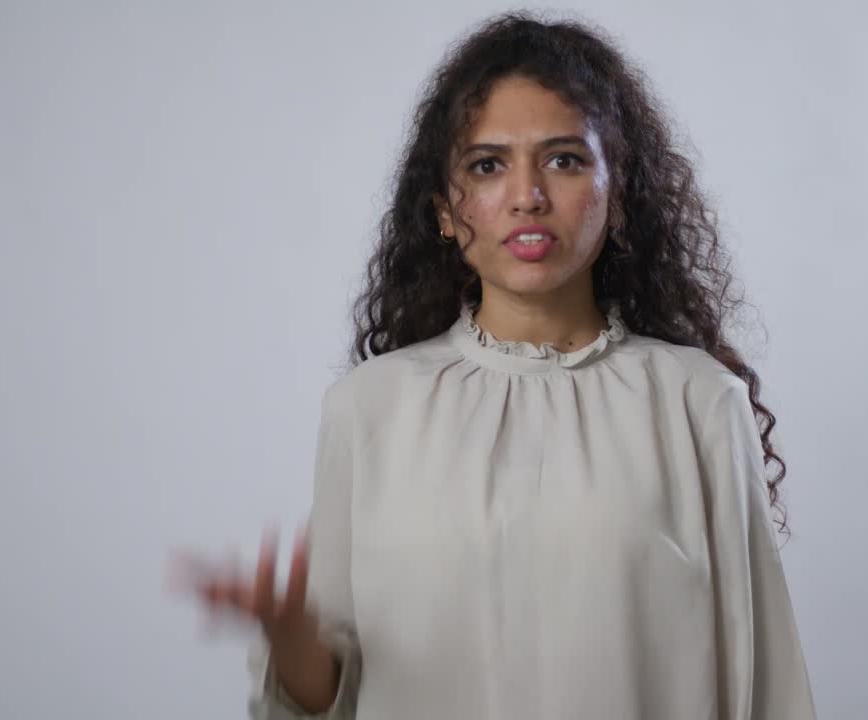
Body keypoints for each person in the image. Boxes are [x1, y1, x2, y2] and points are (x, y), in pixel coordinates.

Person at [170, 10, 816, 719]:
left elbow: (767, 687)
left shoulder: (699, 403)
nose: (527, 195)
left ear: (621, 193)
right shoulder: (370, 408)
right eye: (487, 165)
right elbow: (330, 698)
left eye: (565, 159)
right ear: (445, 210)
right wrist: (290, 637)